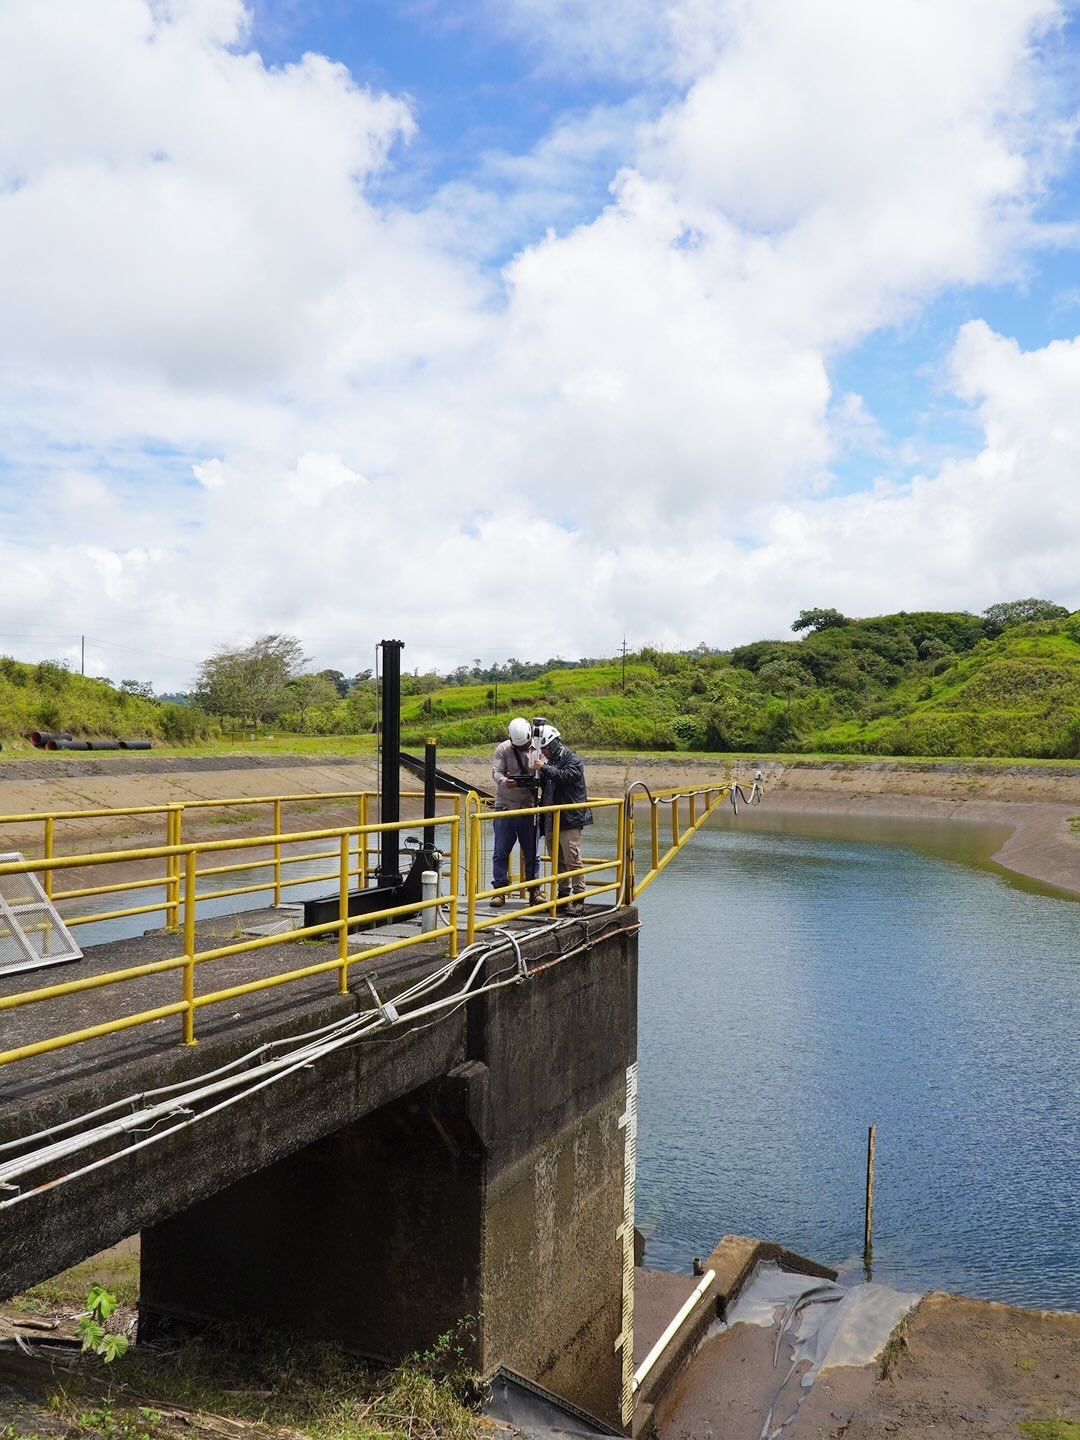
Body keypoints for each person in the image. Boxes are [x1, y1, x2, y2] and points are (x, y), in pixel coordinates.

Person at [535, 724, 592, 915]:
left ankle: (578, 898)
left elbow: (566, 777)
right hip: (551, 818)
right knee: (557, 860)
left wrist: (544, 768)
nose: (543, 752)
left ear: (552, 745)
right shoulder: (551, 762)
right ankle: (563, 895)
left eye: (544, 749)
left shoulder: (572, 760)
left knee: (572, 859)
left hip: (569, 818)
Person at [490, 716, 540, 906]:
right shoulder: (503, 748)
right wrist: (505, 781)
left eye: (525, 744)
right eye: (518, 746)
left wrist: (538, 773)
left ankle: (534, 890)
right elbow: (496, 772)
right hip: (505, 805)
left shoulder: (538, 748)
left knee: (532, 852)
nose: (522, 748)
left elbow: (546, 771)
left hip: (528, 807)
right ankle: (500, 891)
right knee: (500, 851)